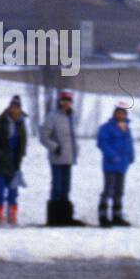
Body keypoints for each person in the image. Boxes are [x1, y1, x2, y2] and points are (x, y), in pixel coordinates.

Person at [40, 89, 84, 226]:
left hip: (69, 157)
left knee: (66, 188)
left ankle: (66, 217)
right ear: (59, 101)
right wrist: (55, 147)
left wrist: (76, 150)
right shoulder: (52, 116)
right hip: (57, 157)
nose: (65, 103)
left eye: (68, 101)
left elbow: (73, 137)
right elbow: (43, 136)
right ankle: (54, 218)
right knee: (57, 187)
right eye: (63, 100)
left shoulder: (72, 116)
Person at [0, 95, 27, 226]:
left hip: (15, 164)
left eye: (17, 108)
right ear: (9, 108)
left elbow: (23, 142)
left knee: (13, 191)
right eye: (13, 107)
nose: (15, 110)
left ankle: (12, 216)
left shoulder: (21, 125)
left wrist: (21, 154)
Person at [96, 103, 135, 227]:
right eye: (118, 113)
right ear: (114, 114)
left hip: (122, 165)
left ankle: (116, 216)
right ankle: (103, 217)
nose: (120, 115)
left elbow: (129, 143)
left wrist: (131, 156)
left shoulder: (126, 128)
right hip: (110, 165)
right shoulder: (106, 127)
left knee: (119, 191)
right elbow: (102, 143)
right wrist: (112, 156)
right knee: (108, 190)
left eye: (123, 113)